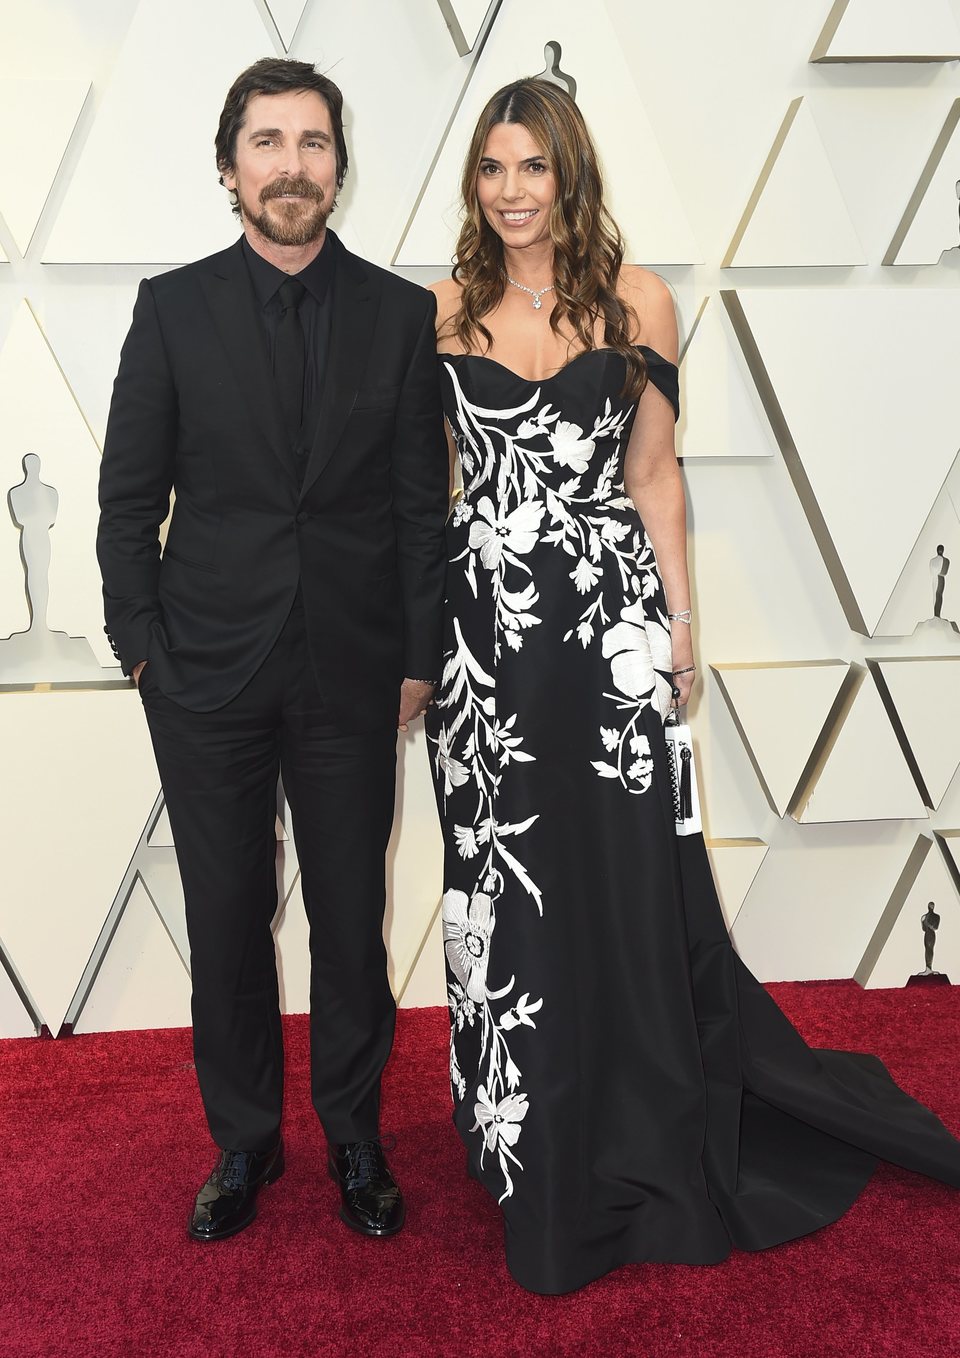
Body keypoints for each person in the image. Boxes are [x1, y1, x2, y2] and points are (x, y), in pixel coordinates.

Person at [425, 77, 960, 1295]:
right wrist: (423, 643)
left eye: (533, 168)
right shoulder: (442, 312)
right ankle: (524, 1128)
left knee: (621, 879)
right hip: (491, 647)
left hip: (612, 636)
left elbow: (656, 476)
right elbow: (437, 491)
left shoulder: (639, 302)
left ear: (571, 175)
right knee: (507, 884)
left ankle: (637, 1111)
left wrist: (679, 624)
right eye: (492, 170)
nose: (511, 193)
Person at [97, 58, 448, 1244]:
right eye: (267, 141)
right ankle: (245, 1139)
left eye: (311, 142)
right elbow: (125, 499)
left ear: (339, 167)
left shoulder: (402, 319)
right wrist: (142, 646)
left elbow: (418, 507)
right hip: (204, 671)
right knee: (229, 918)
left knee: (352, 920)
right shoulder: (172, 307)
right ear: (229, 164)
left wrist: (417, 651)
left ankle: (354, 1132)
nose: (291, 164)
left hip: (354, 672)